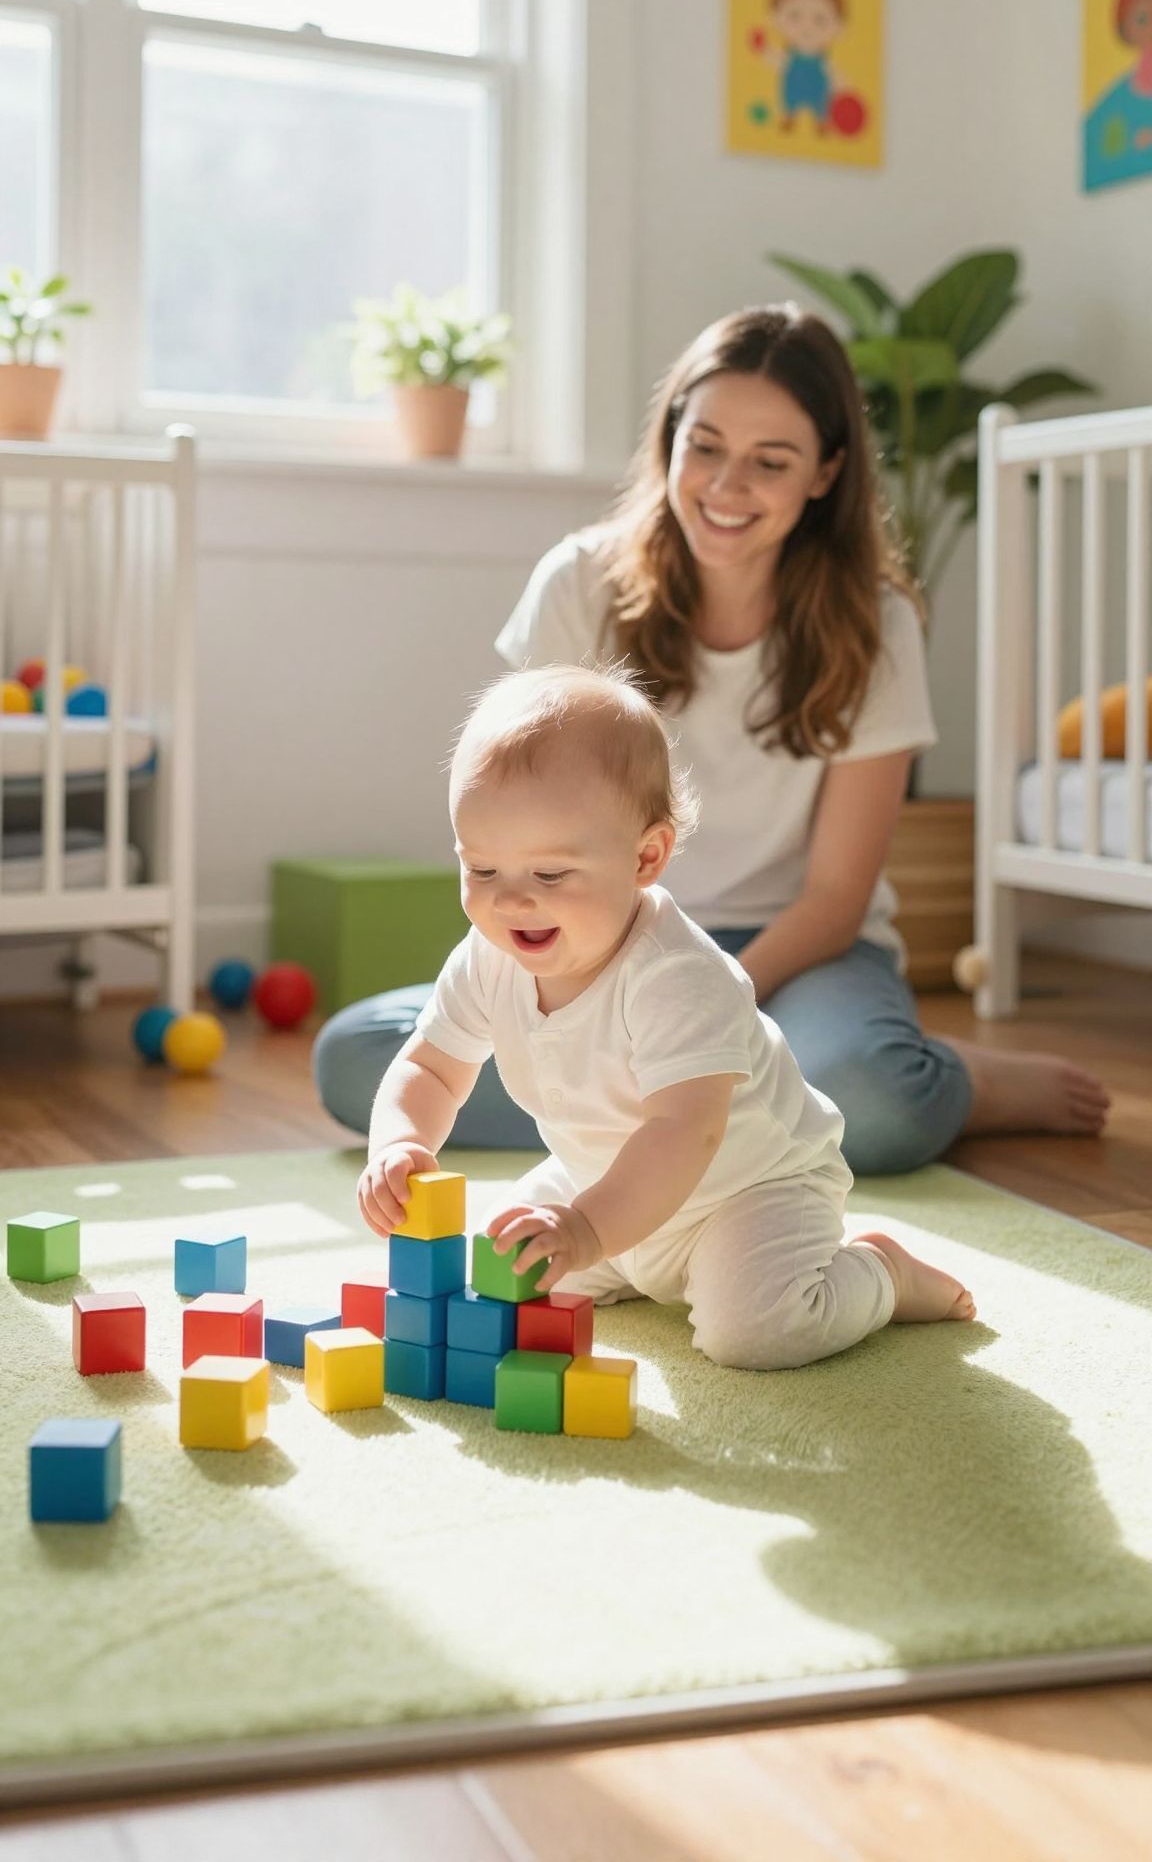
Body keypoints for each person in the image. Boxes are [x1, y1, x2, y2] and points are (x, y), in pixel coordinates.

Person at [315, 304, 1110, 1171]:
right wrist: (595, 1007)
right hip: (602, 934)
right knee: (359, 1063)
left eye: (770, 462)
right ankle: (688, 1120)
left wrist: (708, 1012)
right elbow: (513, 816)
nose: (727, 487)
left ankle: (956, 1081)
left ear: (824, 473)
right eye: (706, 446)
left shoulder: (873, 623)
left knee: (876, 1102)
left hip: (800, 955)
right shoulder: (581, 582)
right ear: (670, 439)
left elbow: (837, 897)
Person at [357, 663, 975, 1371]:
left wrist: (586, 1229)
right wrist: (399, 1145)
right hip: (606, 1178)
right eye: (482, 870)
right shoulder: (488, 957)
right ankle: (629, 1265)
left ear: (646, 856)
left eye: (550, 875)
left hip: (747, 1192)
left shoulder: (678, 976)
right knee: (500, 1271)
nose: (510, 901)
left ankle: (880, 1275)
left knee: (754, 1334)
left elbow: (683, 1131)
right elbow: (431, 1067)